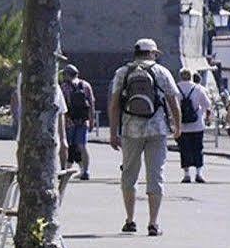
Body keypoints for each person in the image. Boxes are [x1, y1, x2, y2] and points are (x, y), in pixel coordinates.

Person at [108, 38, 182, 236]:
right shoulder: (161, 72)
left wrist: (113, 132)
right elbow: (173, 101)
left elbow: (114, 104)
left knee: (129, 175)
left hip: (130, 130)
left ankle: (130, 220)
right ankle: (153, 223)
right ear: (152, 53)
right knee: (155, 175)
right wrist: (177, 125)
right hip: (157, 130)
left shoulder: (122, 72)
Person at [176, 66, 211, 185]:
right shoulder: (198, 88)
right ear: (191, 76)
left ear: (180, 76)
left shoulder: (176, 88)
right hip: (197, 124)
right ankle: (199, 173)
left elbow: (171, 107)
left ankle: (186, 174)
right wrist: (202, 113)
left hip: (181, 125)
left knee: (184, 150)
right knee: (198, 149)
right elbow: (207, 104)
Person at [61, 64, 96, 181]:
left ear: (66, 74)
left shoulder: (64, 87)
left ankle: (65, 170)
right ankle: (85, 171)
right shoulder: (86, 85)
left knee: (68, 146)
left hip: (69, 121)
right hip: (83, 121)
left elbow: (63, 105)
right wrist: (92, 120)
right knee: (82, 146)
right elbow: (91, 104)